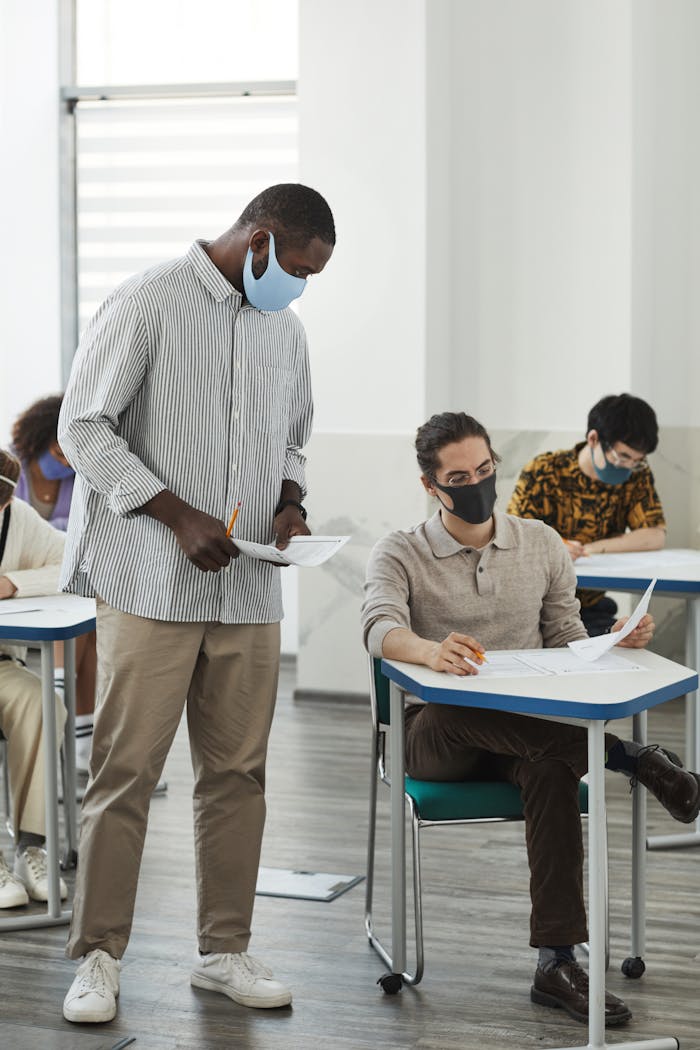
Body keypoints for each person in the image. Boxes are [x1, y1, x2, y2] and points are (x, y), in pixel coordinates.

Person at [58, 183, 335, 1024]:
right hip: (150, 581)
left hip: (248, 587)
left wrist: (290, 501)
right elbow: (84, 427)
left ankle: (223, 949)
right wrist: (176, 516)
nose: (300, 285)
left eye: (312, 274)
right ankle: (98, 957)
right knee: (126, 774)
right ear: (257, 242)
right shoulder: (147, 302)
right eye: (294, 266)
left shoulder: (286, 330)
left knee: (238, 777)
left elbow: (293, 437)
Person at [361, 411, 700, 1028]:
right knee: (452, 703)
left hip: (526, 732)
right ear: (430, 485)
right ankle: (630, 759)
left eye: (485, 469)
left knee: (549, 770)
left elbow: (566, 635)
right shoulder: (401, 551)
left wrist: (615, 640)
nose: (477, 483)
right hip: (436, 736)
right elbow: (379, 627)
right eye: (459, 475)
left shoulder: (540, 543)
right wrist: (430, 651)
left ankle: (556, 962)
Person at [507, 393, 666, 635]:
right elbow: (513, 536)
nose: (627, 467)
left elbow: (654, 535)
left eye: (637, 460)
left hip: (591, 608)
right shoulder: (544, 470)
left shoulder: (636, 474)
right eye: (622, 456)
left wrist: (591, 549)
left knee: (622, 645)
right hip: (535, 605)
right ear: (593, 438)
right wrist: (558, 547)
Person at [11, 394, 97, 774]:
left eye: (70, 456)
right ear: (40, 435)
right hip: (23, 586)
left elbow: (82, 544)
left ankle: (76, 744)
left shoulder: (82, 476)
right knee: (75, 619)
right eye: (58, 453)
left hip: (53, 581)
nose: (64, 463)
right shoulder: (8, 471)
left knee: (87, 622)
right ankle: (71, 742)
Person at [0, 449, 69, 908]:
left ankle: (31, 847)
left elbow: (71, 561)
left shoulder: (18, 518)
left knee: (46, 702)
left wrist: (13, 584)